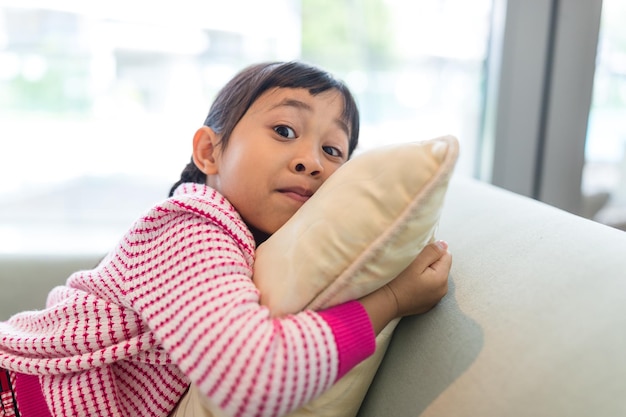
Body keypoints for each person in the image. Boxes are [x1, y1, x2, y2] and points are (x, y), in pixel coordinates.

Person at [0, 61, 451, 417]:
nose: (311, 161)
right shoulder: (191, 230)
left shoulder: (251, 246)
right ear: (209, 151)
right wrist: (390, 300)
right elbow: (253, 376)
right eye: (285, 131)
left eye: (332, 150)